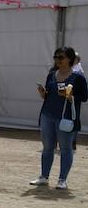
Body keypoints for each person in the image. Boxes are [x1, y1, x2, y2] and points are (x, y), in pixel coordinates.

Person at [31, 46, 88, 190]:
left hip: (66, 118)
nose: (57, 60)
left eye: (61, 57)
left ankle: (62, 180)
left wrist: (71, 97)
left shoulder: (78, 77)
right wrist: (43, 93)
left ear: (70, 59)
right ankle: (44, 177)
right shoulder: (51, 74)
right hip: (47, 115)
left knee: (66, 149)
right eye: (55, 58)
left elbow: (84, 97)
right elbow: (48, 95)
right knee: (47, 148)